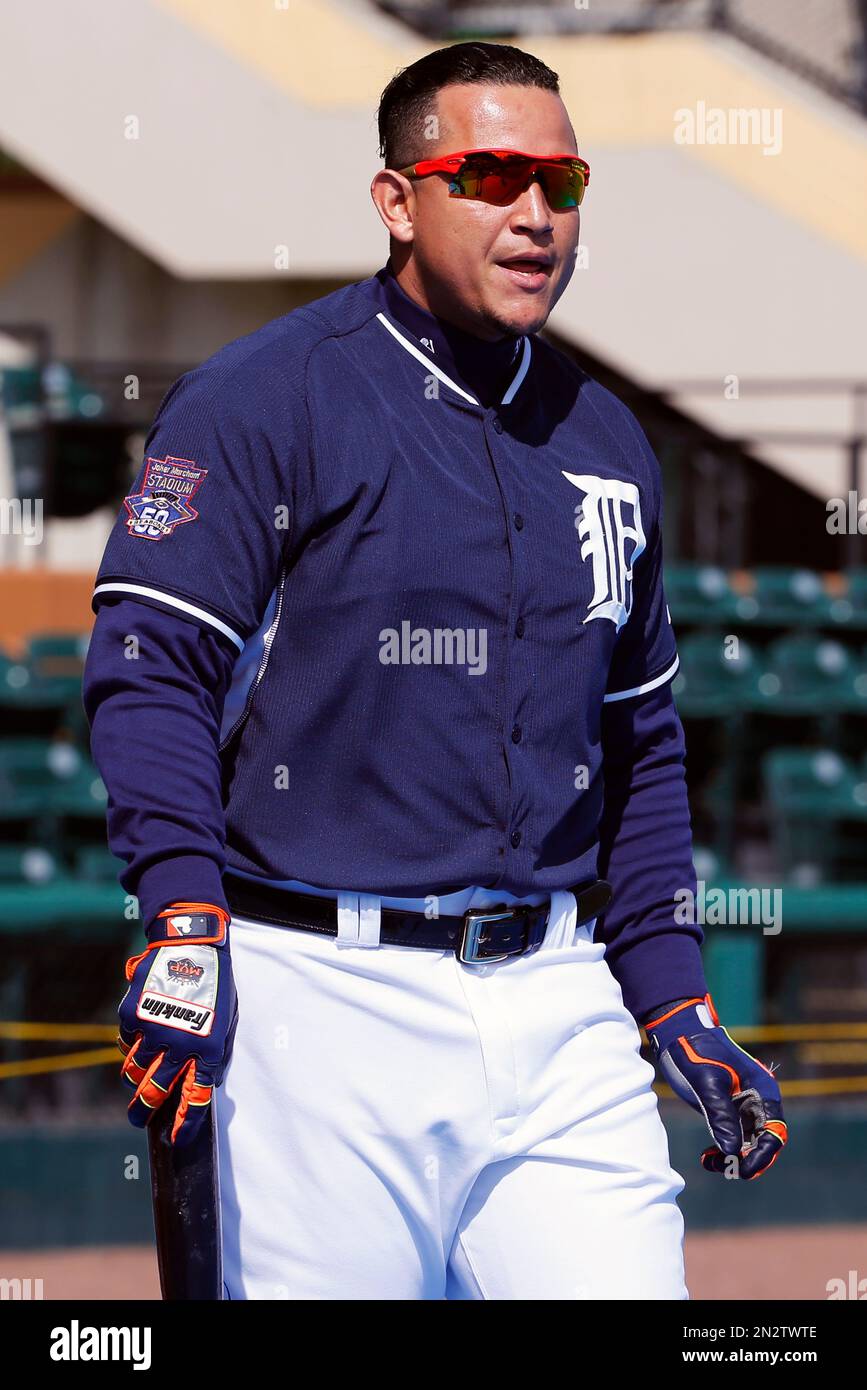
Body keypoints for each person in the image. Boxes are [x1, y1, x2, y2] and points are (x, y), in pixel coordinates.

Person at [83, 41, 786, 1301]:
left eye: (559, 184)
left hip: (562, 1006)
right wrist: (182, 912)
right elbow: (151, 669)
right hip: (320, 1002)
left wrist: (673, 993)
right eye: (491, 175)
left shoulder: (610, 435)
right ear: (398, 200)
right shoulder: (260, 398)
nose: (534, 214)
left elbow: (641, 741)